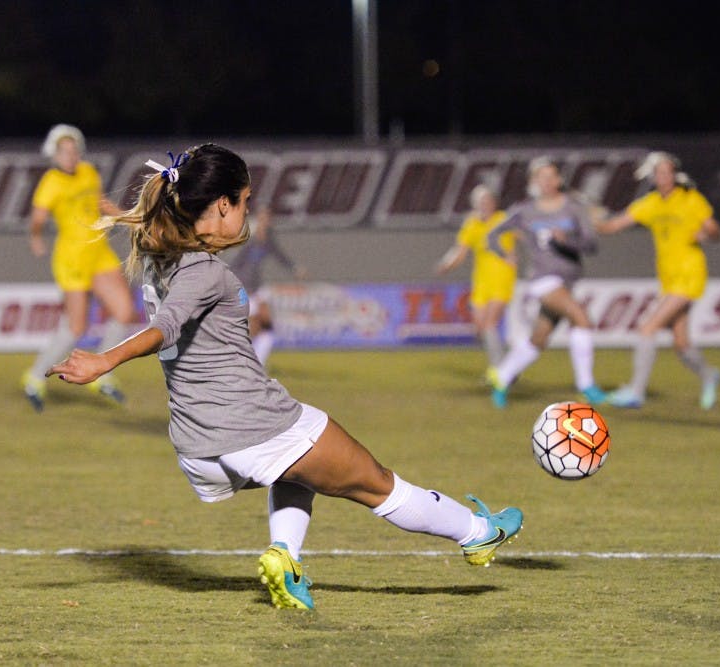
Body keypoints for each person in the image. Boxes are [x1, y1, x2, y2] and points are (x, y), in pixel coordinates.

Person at [48, 144, 522, 610]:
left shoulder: (160, 256)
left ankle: (285, 559)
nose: (247, 212)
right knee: (378, 483)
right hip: (252, 423)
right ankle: (478, 533)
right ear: (221, 204)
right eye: (244, 201)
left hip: (198, 440)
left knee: (295, 469)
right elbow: (165, 327)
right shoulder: (201, 271)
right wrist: (105, 361)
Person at [21, 124, 138, 411]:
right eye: (64, 151)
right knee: (75, 327)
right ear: (54, 154)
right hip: (71, 259)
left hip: (98, 253)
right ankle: (35, 376)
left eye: (73, 150)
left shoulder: (87, 172)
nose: (70, 155)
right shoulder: (51, 181)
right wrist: (35, 238)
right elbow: (37, 218)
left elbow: (99, 202)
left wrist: (129, 218)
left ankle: (103, 372)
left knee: (124, 312)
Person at [596, 152, 720, 409]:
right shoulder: (651, 204)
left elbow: (715, 230)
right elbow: (612, 226)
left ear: (674, 174)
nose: (664, 176)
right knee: (681, 344)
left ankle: (636, 392)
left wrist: (706, 233)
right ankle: (710, 375)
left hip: (689, 275)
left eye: (668, 171)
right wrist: (591, 219)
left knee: (647, 328)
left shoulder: (690, 199)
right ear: (653, 177)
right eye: (659, 172)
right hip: (669, 280)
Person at [485, 157, 605, 408]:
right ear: (534, 182)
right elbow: (493, 234)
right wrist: (504, 254)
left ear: (559, 180)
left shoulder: (573, 208)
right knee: (581, 318)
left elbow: (592, 245)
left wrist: (567, 242)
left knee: (539, 339)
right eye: (541, 177)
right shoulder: (525, 210)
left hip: (567, 281)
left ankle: (502, 378)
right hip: (543, 280)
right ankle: (587, 386)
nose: (547, 182)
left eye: (551, 176)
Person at [434, 184, 517, 370]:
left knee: (490, 324)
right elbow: (460, 252)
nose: (485, 205)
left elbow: (524, 233)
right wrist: (446, 265)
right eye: (481, 202)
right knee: (480, 327)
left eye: (488, 201)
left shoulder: (503, 219)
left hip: (502, 277)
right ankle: (506, 364)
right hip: (481, 281)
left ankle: (501, 371)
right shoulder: (472, 225)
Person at [227, 206, 305, 366]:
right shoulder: (248, 241)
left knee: (264, 328)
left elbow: (280, 256)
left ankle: (252, 362)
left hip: (256, 288)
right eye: (263, 218)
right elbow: (235, 264)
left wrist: (294, 269)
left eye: (267, 218)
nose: (266, 221)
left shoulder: (267, 241)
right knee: (256, 328)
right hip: (244, 288)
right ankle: (243, 360)